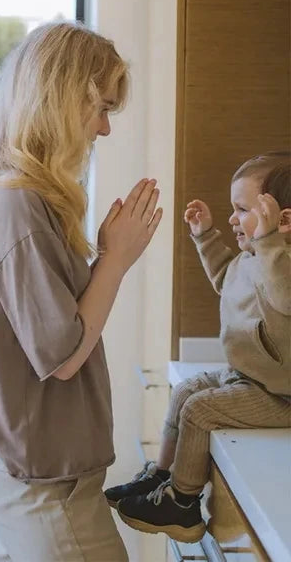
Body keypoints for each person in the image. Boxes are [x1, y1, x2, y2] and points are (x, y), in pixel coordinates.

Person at [0, 20, 163, 561]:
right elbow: (62, 354)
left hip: (24, 460)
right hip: (44, 479)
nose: (105, 129)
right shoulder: (18, 206)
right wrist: (115, 258)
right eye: (102, 108)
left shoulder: (16, 195)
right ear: (61, 101)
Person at [109, 152, 291, 543]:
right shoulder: (252, 257)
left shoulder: (281, 263)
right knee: (186, 391)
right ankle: (162, 474)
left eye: (242, 209)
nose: (232, 218)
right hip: (249, 377)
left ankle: (182, 503)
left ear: (283, 220)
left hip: (280, 395)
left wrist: (270, 242)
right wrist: (206, 236)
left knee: (200, 410)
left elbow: (284, 297)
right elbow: (225, 278)